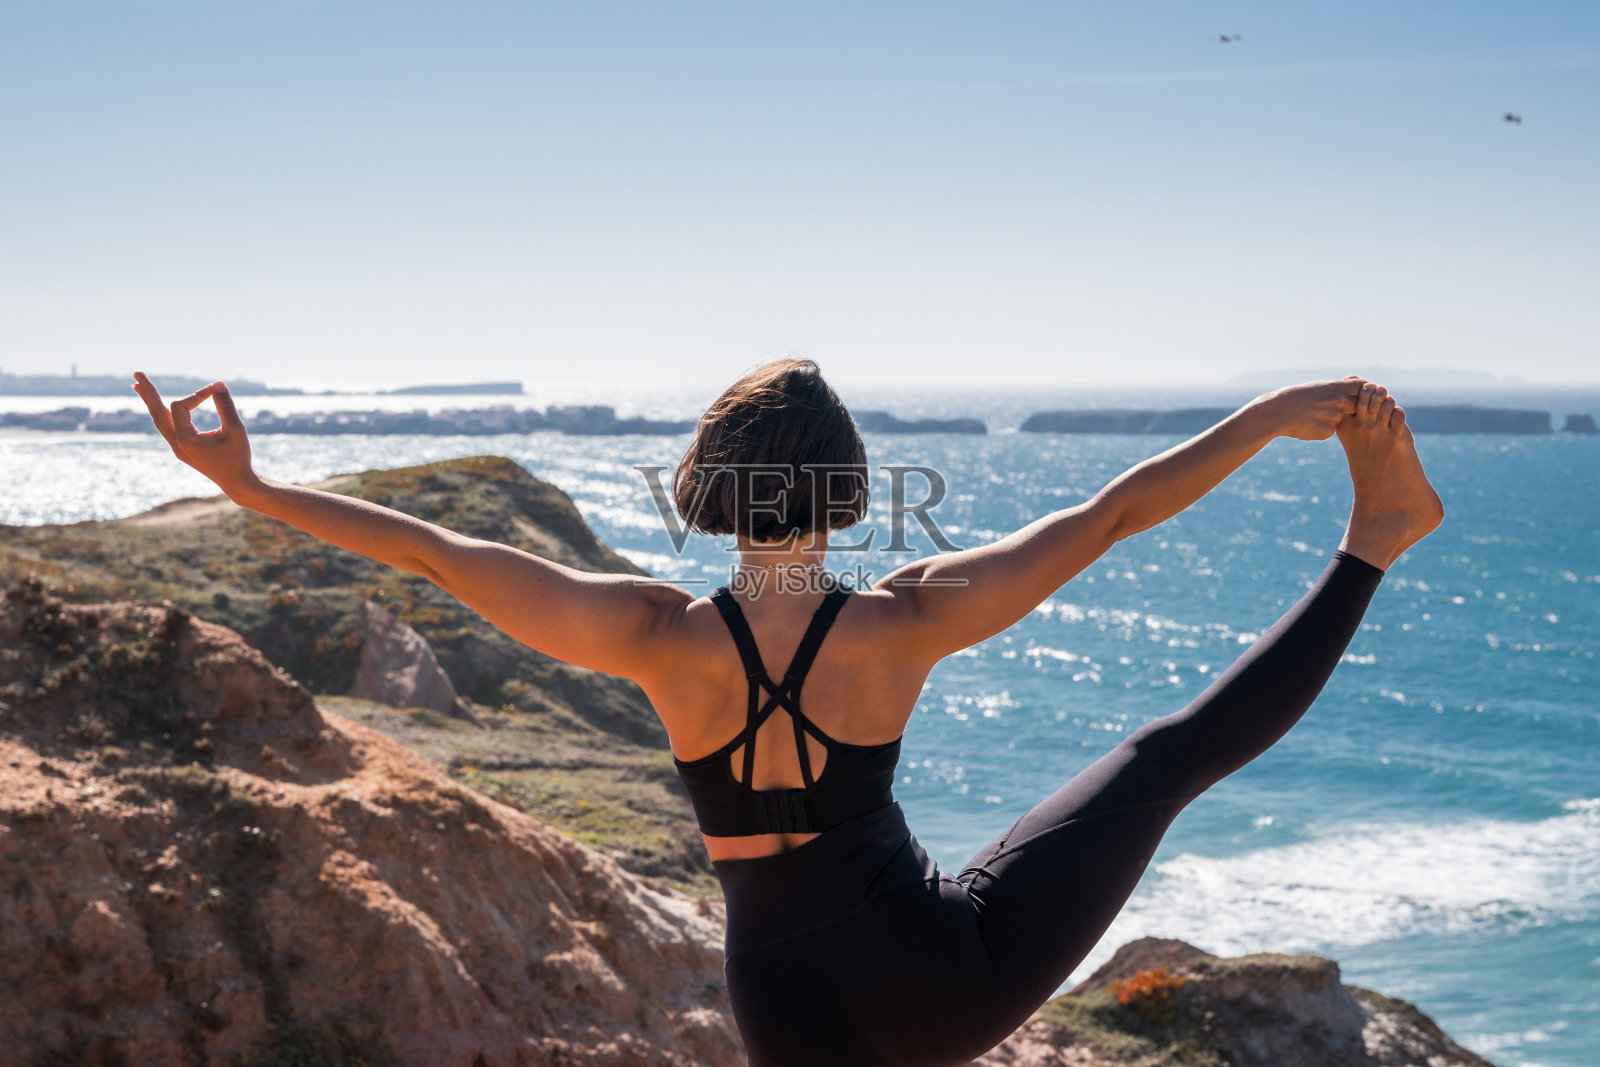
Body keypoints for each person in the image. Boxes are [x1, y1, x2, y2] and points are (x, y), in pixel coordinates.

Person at [134, 360, 1443, 1067]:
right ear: (844, 487)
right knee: (1163, 757)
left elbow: (430, 552)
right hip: (945, 980)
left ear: (713, 486)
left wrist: (252, 489)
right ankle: (1374, 544)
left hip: (782, 1006)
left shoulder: (651, 636)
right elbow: (1110, 512)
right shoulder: (902, 620)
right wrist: (1267, 415)